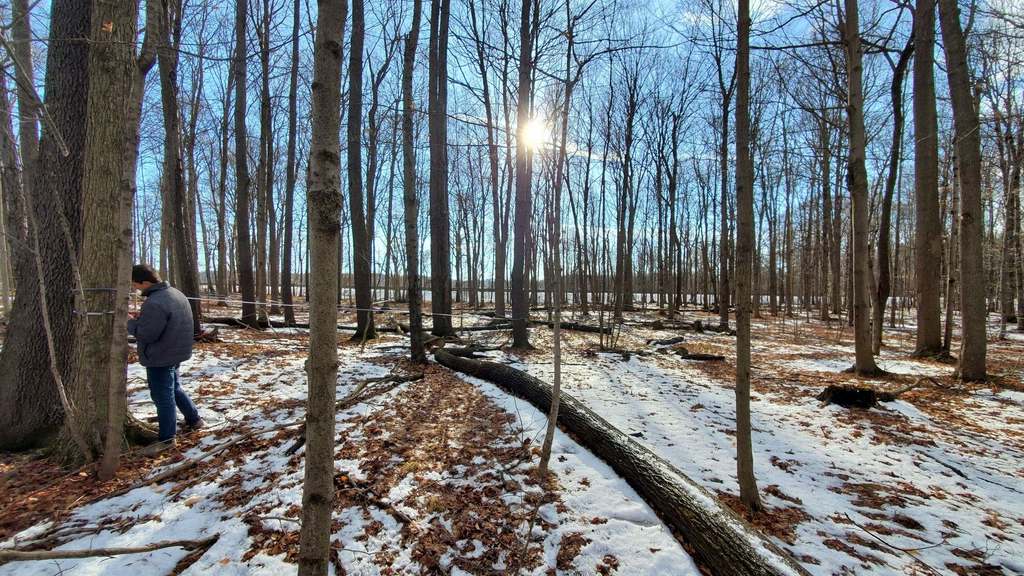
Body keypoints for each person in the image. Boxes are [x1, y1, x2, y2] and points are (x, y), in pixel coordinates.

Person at [128, 264, 204, 455]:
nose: (135, 289)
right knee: (175, 387)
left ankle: (167, 438)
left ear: (145, 282)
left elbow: (147, 334)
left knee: (163, 397)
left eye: (135, 285)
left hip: (160, 356)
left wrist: (129, 323)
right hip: (175, 352)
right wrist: (143, 318)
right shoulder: (176, 294)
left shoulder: (155, 302)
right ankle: (194, 419)